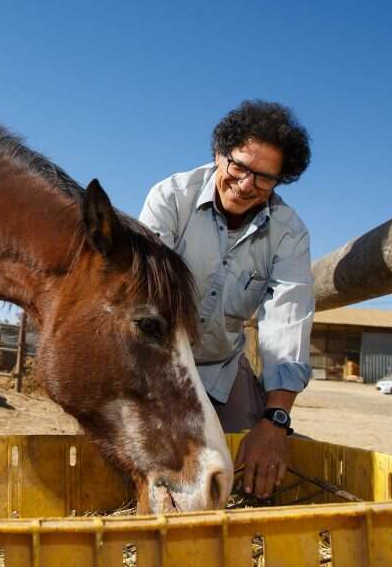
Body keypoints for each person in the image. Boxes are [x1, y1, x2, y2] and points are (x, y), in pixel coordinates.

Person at [138, 100, 313, 500]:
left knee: (255, 470)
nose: (247, 185)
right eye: (239, 167)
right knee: (150, 467)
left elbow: (288, 319)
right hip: (160, 365)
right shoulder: (171, 198)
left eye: (264, 178)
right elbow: (147, 298)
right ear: (219, 154)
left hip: (222, 365)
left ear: (279, 182)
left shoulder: (289, 234)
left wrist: (276, 420)